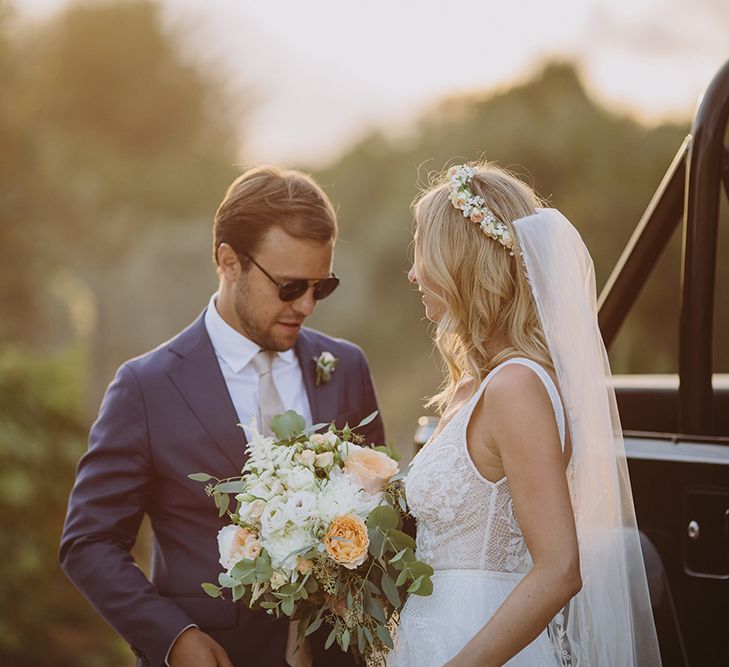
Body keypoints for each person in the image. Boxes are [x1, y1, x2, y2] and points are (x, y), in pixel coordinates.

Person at [60, 166, 385, 667]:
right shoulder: (146, 388)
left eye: (322, 287)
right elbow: (89, 542)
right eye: (290, 285)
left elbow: (378, 516)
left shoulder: (345, 368)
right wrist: (172, 638)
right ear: (228, 262)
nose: (306, 305)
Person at [387, 162, 661, 666]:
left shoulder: (516, 386)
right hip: (432, 639)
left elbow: (559, 569)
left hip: (485, 648)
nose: (412, 273)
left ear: (461, 263)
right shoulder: (471, 386)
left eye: (423, 253)